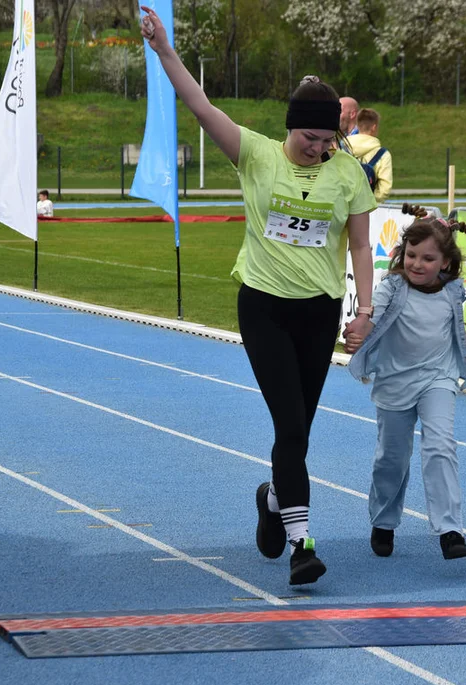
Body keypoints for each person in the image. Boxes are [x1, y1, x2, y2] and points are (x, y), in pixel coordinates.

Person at [141, 6, 376, 585]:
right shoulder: (256, 153)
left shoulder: (349, 175)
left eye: (327, 140)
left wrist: (364, 312)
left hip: (319, 312)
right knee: (290, 426)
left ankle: (274, 499)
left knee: (297, 430)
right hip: (264, 304)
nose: (318, 148)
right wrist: (166, 51)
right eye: (308, 137)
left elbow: (363, 249)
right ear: (288, 127)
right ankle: (302, 544)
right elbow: (201, 106)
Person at [345, 218, 466, 560]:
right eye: (411, 255)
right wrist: (359, 331)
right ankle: (384, 520)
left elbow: (457, 323)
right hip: (395, 381)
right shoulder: (393, 288)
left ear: (445, 263)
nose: (417, 264)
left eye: (427, 259)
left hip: (438, 377)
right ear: (401, 254)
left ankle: (450, 530)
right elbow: (371, 316)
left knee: (440, 445)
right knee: (392, 459)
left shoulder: (452, 289)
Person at [348, 109, 393, 202]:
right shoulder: (383, 154)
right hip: (369, 208)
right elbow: (385, 188)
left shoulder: (342, 148)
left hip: (342, 203)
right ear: (374, 127)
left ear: (358, 126)